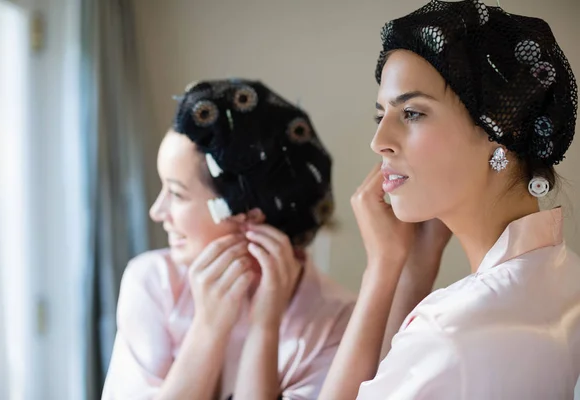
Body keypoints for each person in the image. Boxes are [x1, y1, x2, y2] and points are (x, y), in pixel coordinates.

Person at [320, 1, 580, 399]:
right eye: (381, 116)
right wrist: (415, 268)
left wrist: (381, 272)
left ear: (499, 129)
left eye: (412, 113)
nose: (379, 142)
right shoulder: (567, 278)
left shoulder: (448, 333)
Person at [102, 79, 357, 400]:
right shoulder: (153, 282)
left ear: (248, 216)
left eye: (177, 194)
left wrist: (265, 328)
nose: (157, 211)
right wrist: (207, 329)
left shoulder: (334, 321)